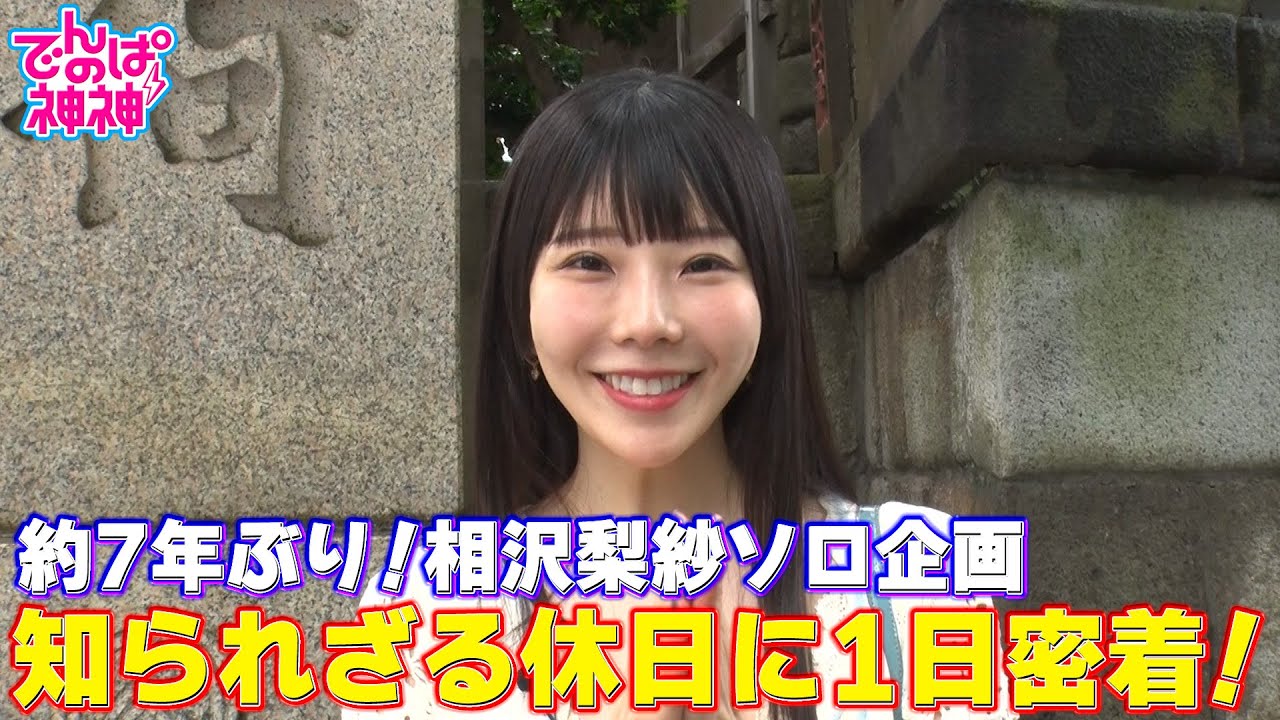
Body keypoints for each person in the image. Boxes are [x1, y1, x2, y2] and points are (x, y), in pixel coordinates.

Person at [343, 68, 1018, 720]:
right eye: (589, 262)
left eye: (702, 264)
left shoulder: (921, 583)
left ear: (770, 305)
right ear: (521, 319)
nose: (648, 323)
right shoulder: (426, 615)